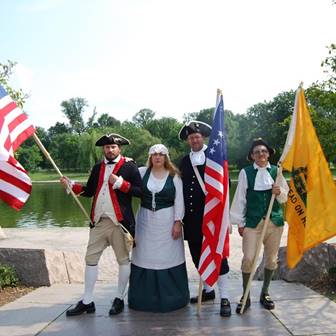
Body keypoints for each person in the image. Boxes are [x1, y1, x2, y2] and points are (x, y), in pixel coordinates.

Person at [60, 133, 142, 316]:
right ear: (103, 149)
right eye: (107, 147)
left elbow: (140, 191)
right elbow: (89, 191)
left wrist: (121, 184)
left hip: (119, 223)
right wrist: (70, 185)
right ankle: (87, 301)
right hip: (98, 222)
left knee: (123, 260)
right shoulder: (97, 168)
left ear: (119, 148)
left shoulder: (130, 167)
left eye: (113, 147)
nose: (110, 150)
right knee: (90, 260)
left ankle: (119, 298)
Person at [179, 121, 231, 317]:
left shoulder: (215, 156)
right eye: (191, 137)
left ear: (204, 137)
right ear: (188, 140)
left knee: (219, 258)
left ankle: (224, 297)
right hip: (192, 219)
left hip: (213, 217)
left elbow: (225, 186)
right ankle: (209, 291)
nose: (194, 139)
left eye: (197, 136)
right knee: (197, 257)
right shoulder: (185, 161)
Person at [230, 138, 289, 314]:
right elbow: (240, 198)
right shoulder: (245, 173)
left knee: (271, 260)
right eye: (257, 152)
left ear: (268, 153)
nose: (261, 154)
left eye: (263, 151)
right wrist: (240, 222)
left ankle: (265, 293)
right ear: (252, 156)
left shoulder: (277, 171)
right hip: (253, 223)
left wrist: (279, 192)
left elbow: (285, 197)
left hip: (274, 222)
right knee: (248, 259)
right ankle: (246, 295)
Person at [128, 144, 189, 312]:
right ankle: (143, 299)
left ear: (166, 157)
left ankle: (172, 299)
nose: (157, 157)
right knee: (144, 254)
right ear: (150, 157)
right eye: (154, 154)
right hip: (145, 221)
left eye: (161, 154)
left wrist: (178, 222)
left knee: (168, 256)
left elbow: (179, 200)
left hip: (167, 221)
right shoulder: (141, 173)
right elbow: (126, 177)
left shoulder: (174, 176)